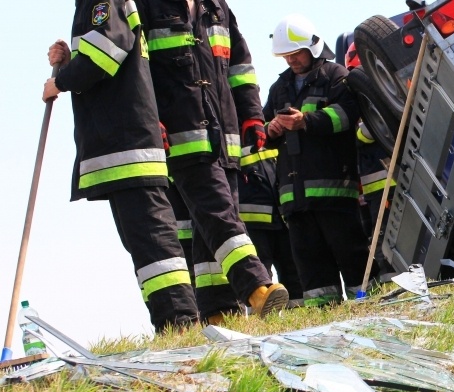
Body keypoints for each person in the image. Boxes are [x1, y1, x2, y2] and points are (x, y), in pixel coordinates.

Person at [44, 0, 199, 333]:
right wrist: (69, 62)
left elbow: (105, 54)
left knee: (153, 240)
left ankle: (181, 322)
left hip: (128, 145)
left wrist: (61, 81)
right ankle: (170, 323)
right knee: (143, 244)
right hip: (122, 147)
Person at [134, 0, 288, 322]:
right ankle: (257, 288)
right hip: (182, 137)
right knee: (220, 216)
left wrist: (252, 114)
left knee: (210, 226)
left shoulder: (217, 7)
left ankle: (219, 310)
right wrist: (150, 119)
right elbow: (138, 71)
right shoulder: (146, 5)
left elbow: (240, 66)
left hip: (225, 137)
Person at [266, 14, 376, 307]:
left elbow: (348, 115)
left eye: (296, 53)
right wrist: (271, 129)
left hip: (334, 190)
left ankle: (365, 305)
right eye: (285, 55)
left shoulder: (335, 75)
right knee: (310, 264)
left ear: (312, 47)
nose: (291, 60)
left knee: (351, 253)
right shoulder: (279, 87)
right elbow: (262, 129)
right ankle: (323, 312)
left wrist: (306, 121)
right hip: (294, 197)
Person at [345, 43, 397, 283]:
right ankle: (389, 279)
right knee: (381, 234)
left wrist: (360, 134)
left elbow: (365, 133)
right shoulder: (372, 93)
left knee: (385, 233)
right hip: (378, 185)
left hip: (385, 181)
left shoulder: (376, 94)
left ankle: (391, 277)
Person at [238, 145, 304, 307]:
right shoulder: (233, 136)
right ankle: (261, 315)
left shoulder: (269, 135)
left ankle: (298, 312)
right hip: (252, 223)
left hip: (282, 216)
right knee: (260, 275)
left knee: (293, 271)